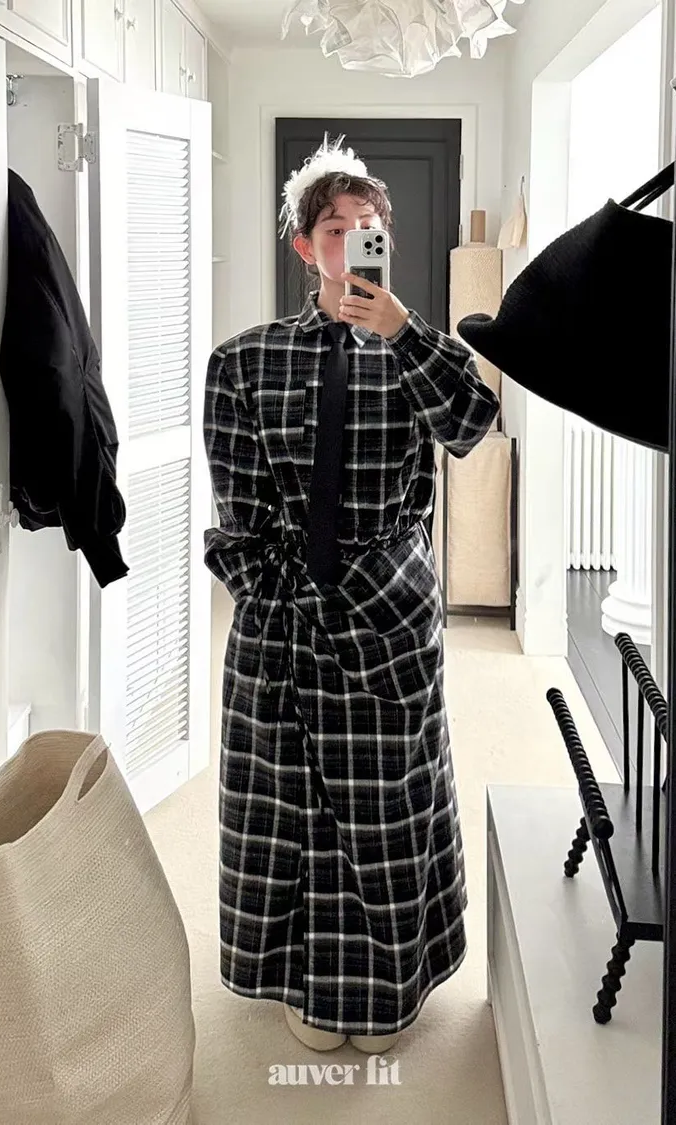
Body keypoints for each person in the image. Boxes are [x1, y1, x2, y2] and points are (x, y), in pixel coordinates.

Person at [203, 137, 500, 1055]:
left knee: (387, 805)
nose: (354, 239)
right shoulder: (244, 361)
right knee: (287, 802)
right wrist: (276, 601)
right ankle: (305, 983)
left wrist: (404, 331)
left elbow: (472, 425)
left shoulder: (418, 353)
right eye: (335, 227)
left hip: (390, 615)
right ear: (305, 246)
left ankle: (387, 987)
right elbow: (239, 511)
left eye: (369, 226)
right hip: (284, 620)